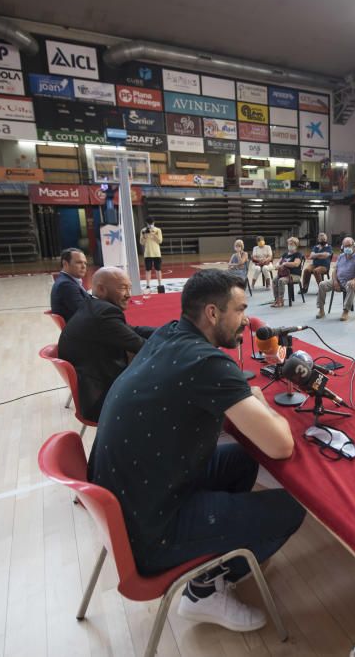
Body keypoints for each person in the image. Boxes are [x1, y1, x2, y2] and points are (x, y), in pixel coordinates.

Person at [88, 270, 305, 633]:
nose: (247, 321)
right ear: (212, 314)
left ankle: (220, 550)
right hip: (151, 528)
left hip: (134, 493)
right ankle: (203, 589)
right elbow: (281, 445)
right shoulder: (206, 364)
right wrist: (258, 400)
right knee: (292, 508)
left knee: (242, 459)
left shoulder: (167, 334)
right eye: (240, 310)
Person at [57, 267, 155, 422]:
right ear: (101, 289)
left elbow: (132, 330)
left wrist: (168, 330)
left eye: (129, 288)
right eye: (123, 288)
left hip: (93, 386)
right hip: (100, 400)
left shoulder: (92, 306)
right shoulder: (104, 314)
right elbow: (142, 346)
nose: (129, 294)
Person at [316, 237, 355, 321]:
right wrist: (335, 281)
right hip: (338, 280)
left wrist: (354, 280)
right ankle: (321, 310)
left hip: (352, 281)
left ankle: (345, 311)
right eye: (345, 246)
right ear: (343, 247)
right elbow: (334, 270)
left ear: (353, 246)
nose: (347, 248)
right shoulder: (341, 256)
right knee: (322, 284)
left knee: (351, 285)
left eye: (349, 245)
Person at [50, 247, 90, 323]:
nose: (84, 266)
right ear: (65, 264)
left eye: (85, 263)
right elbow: (85, 312)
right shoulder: (66, 285)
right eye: (79, 262)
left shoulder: (66, 280)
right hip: (80, 329)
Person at [271, 237, 304, 308]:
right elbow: (278, 263)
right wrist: (278, 265)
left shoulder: (298, 254)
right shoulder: (285, 254)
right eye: (289, 244)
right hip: (284, 273)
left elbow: (296, 264)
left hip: (294, 275)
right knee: (274, 280)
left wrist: (285, 264)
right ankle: (276, 300)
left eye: (292, 244)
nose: (290, 245)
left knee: (281, 281)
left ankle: (281, 300)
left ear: (296, 245)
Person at [140, 216, 164, 292]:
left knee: (158, 269)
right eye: (149, 223)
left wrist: (153, 234)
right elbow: (141, 242)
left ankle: (160, 284)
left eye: (151, 223)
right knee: (148, 270)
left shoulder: (158, 230)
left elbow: (160, 241)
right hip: (147, 253)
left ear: (154, 223)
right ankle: (148, 285)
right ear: (146, 223)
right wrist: (145, 236)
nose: (150, 225)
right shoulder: (143, 230)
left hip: (156, 253)